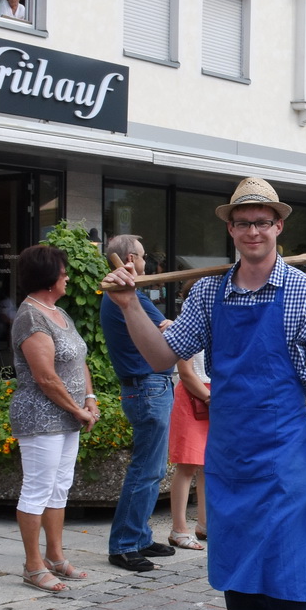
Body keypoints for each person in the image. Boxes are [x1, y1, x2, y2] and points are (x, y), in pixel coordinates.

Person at [101, 176, 306, 610]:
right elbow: (162, 355)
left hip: (284, 459)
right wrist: (128, 305)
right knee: (240, 583)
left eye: (262, 222)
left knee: (286, 579)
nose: (253, 231)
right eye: (243, 223)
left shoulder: (305, 294)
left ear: (278, 226)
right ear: (231, 229)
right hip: (229, 459)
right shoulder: (209, 294)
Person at [9, 245, 97, 593]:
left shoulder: (58, 312)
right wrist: (77, 410)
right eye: (63, 272)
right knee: (37, 488)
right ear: (48, 278)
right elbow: (45, 376)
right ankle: (33, 565)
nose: (68, 277)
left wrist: (89, 398)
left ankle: (55, 556)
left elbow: (78, 360)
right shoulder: (31, 317)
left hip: (68, 415)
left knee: (60, 487)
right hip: (40, 417)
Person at [100, 234, 180, 570]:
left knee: (153, 469)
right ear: (131, 258)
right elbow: (168, 334)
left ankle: (139, 536)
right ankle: (123, 544)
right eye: (144, 256)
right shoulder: (127, 295)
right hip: (148, 387)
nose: (149, 261)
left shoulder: (126, 294)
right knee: (146, 470)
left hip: (150, 387)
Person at [167, 342, 211, 549]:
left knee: (209, 465)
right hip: (193, 396)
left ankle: (205, 524)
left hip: (215, 396)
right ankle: (179, 529)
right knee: (187, 465)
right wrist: (210, 398)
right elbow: (185, 372)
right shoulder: (192, 329)